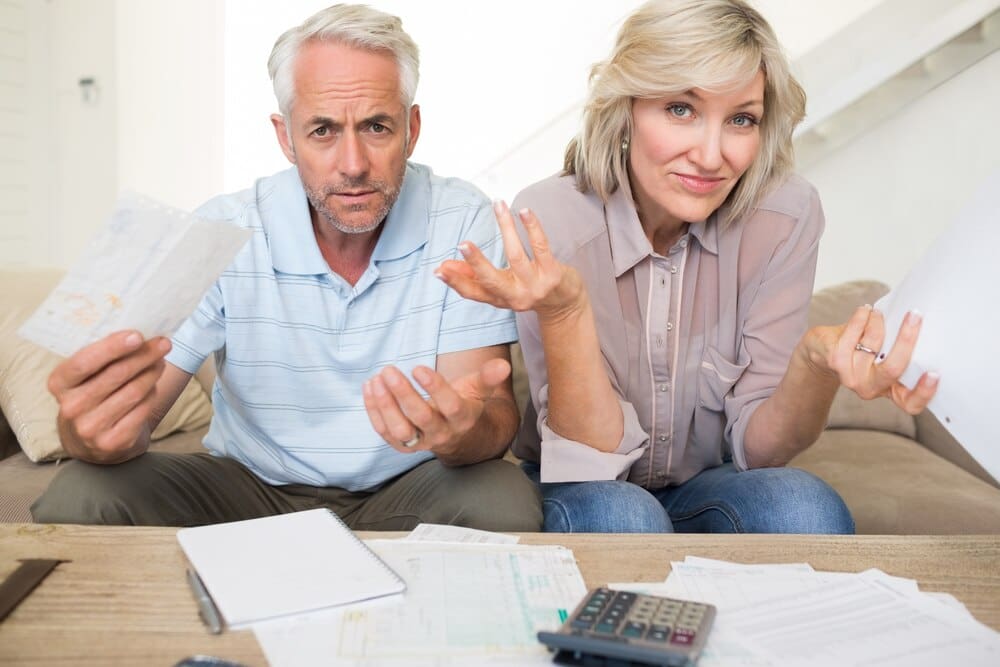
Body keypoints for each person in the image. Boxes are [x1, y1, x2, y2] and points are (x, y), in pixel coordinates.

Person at [32, 4, 542, 530]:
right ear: (285, 137)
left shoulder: (463, 220)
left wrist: (461, 434)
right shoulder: (224, 228)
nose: (352, 164)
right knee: (82, 492)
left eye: (376, 126)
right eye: (322, 130)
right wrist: (90, 436)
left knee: (500, 496)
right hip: (249, 488)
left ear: (411, 129)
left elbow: (490, 412)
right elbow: (131, 426)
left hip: (409, 489)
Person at [437, 0, 938, 534]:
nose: (710, 155)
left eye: (741, 119)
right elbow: (591, 456)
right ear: (625, 108)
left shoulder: (786, 216)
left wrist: (814, 362)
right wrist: (566, 311)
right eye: (681, 109)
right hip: (589, 483)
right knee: (624, 519)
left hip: (707, 479)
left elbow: (760, 451)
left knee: (805, 509)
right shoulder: (551, 217)